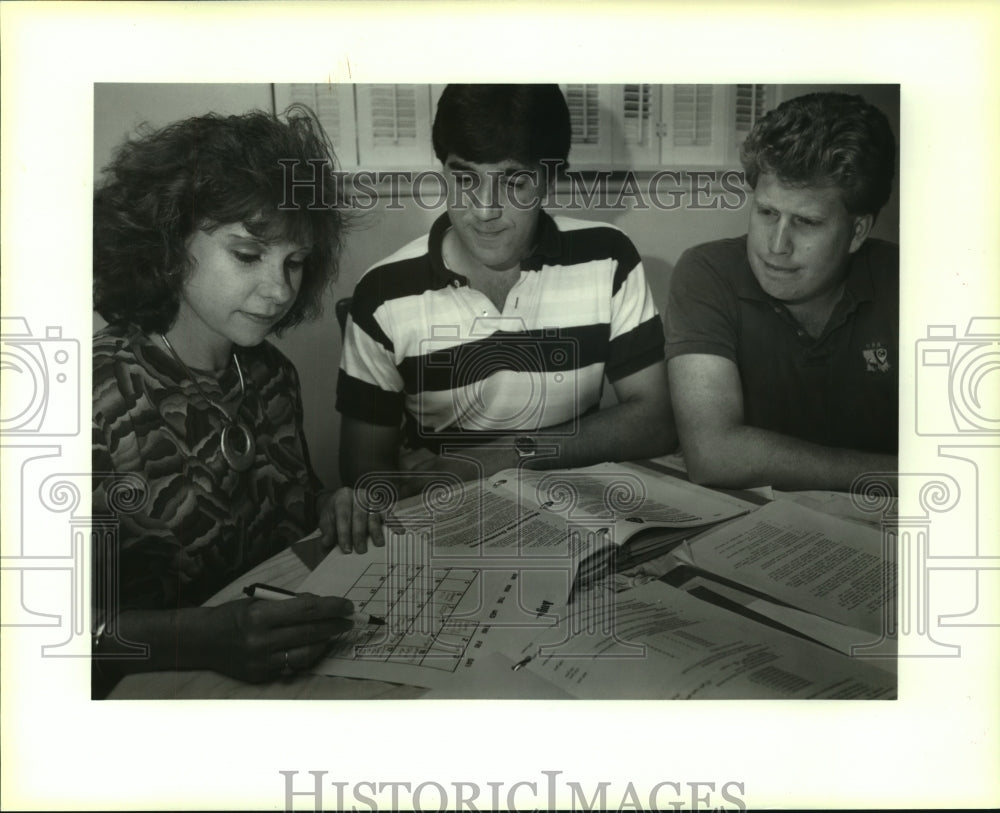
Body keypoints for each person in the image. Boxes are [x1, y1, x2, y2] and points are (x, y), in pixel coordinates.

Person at [326, 84, 676, 552]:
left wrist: (505, 456)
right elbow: (364, 472)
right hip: (449, 529)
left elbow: (655, 421)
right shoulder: (382, 292)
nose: (485, 211)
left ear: (549, 180)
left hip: (578, 520)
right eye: (465, 178)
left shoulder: (609, 257)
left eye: (514, 182)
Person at [91, 107, 362, 697]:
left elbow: (277, 520)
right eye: (247, 255)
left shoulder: (270, 374)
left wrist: (327, 504)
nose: (280, 289)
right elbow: (37, 629)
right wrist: (202, 638)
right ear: (167, 242)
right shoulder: (90, 395)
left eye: (294, 262)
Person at [665, 92, 898, 492]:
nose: (776, 245)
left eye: (806, 222)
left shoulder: (910, 281)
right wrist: (900, 475)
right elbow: (713, 454)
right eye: (767, 212)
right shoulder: (707, 272)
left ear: (857, 231)